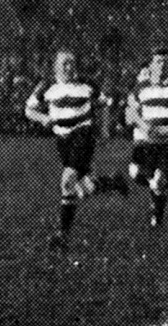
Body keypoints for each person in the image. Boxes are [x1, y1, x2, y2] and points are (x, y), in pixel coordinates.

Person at [24, 51, 125, 249]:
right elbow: (28, 110)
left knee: (67, 179)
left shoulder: (87, 84)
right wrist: (43, 118)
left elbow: (105, 104)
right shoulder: (46, 86)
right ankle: (112, 182)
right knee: (81, 190)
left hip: (83, 136)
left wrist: (104, 129)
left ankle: (63, 236)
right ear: (56, 67)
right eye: (64, 64)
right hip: (62, 140)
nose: (69, 67)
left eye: (71, 63)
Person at [127, 49, 168, 228]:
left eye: (165, 61)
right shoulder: (140, 88)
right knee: (135, 173)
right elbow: (130, 111)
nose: (162, 65)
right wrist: (142, 125)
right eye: (158, 61)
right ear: (151, 65)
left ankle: (157, 219)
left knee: (157, 182)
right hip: (146, 143)